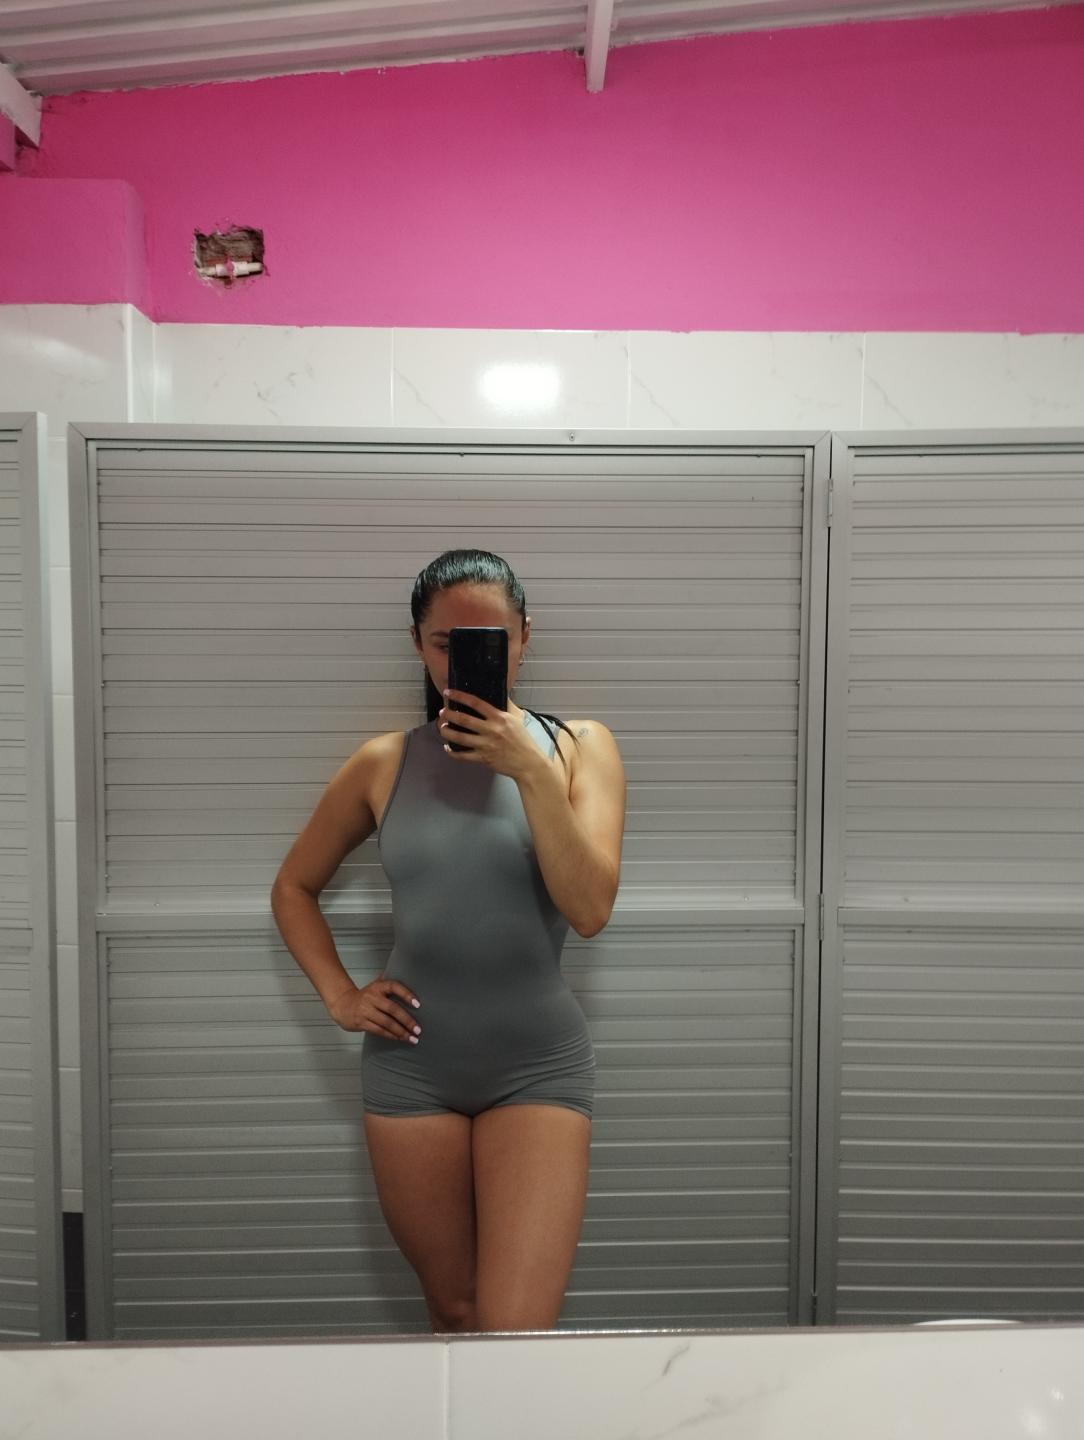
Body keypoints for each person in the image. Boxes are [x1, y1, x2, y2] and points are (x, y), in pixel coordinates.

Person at [270, 549, 627, 1334]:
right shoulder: (383, 764)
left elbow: (590, 908)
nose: (463, 659)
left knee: (515, 1330)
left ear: (525, 638)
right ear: (418, 644)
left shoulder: (580, 748)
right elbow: (293, 888)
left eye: (490, 641)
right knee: (455, 1313)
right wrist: (340, 996)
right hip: (412, 1071)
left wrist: (527, 770)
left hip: (537, 1066)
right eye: (445, 642)